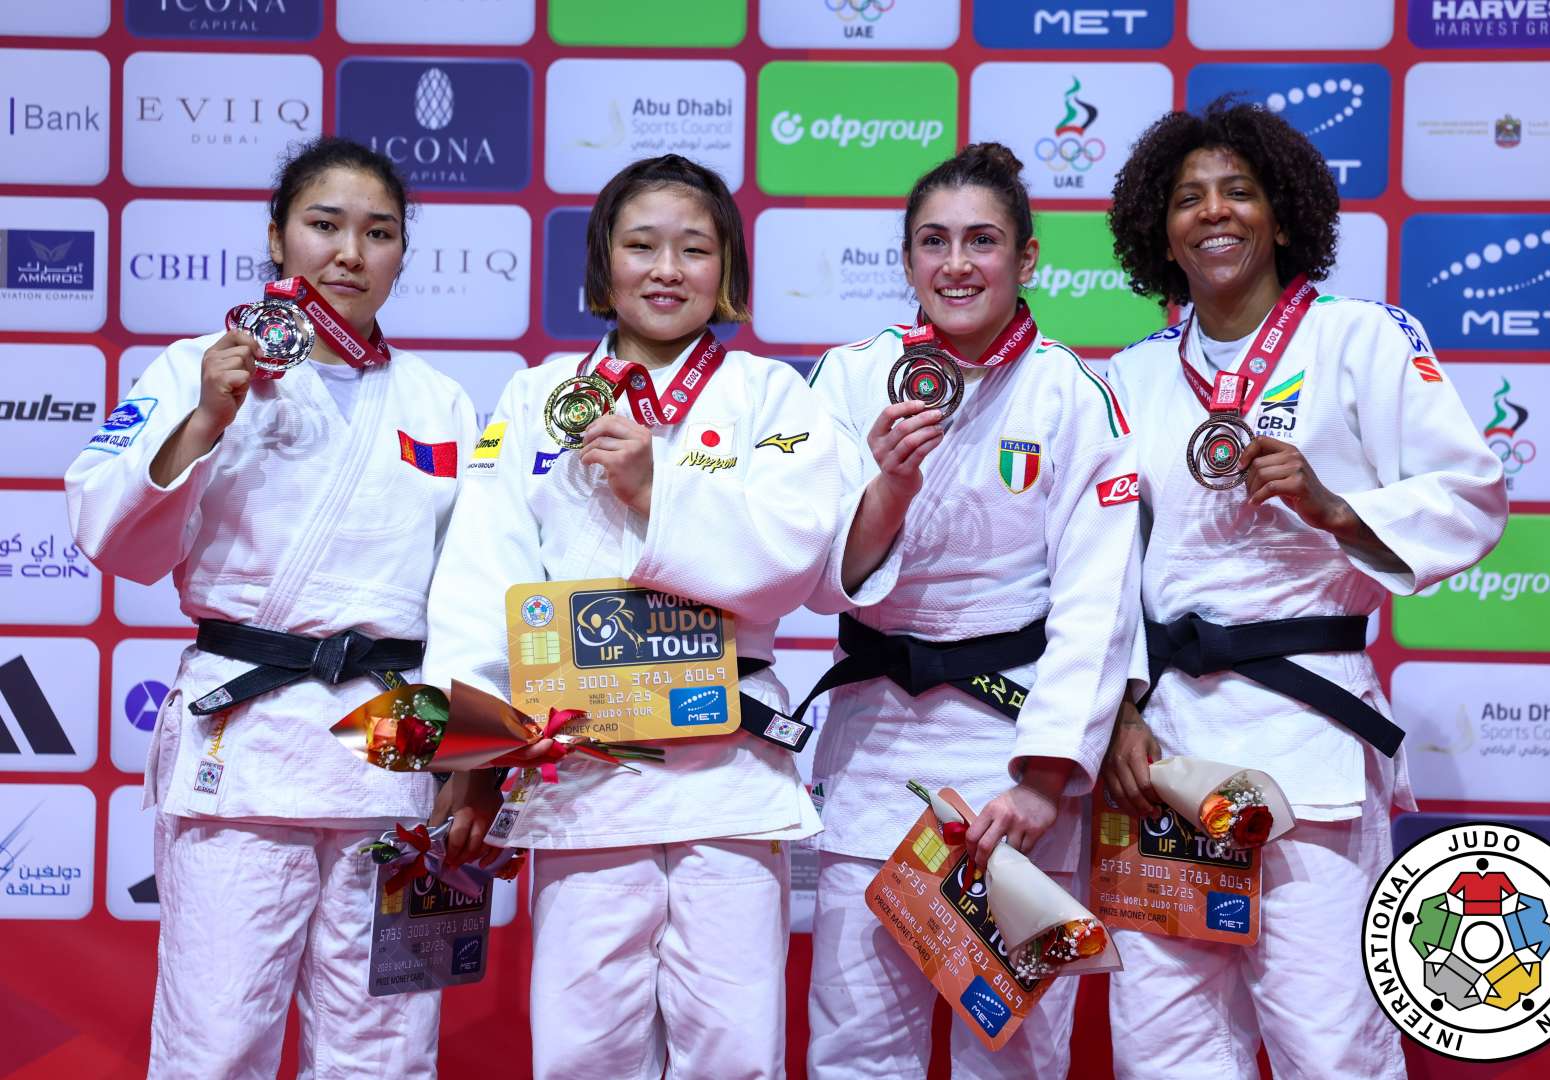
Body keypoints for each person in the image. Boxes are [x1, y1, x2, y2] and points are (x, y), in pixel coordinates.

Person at [1100, 99, 1507, 1080]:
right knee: (1163, 1050)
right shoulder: (1130, 378)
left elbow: (1473, 494)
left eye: (1238, 191)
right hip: (1167, 752)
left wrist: (1336, 509)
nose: (1214, 212)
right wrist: (1117, 710)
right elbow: (1097, 566)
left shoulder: (1360, 339)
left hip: (1307, 742)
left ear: (1282, 216)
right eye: (1188, 198)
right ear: (1161, 231)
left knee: (1331, 1048)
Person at [66, 137, 476, 1079]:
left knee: (385, 1041)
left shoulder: (440, 401)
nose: (350, 253)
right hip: (246, 738)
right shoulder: (197, 367)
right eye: (325, 225)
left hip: (393, 739)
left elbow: (469, 588)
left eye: (379, 233)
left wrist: (468, 752)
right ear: (277, 236)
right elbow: (109, 533)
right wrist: (207, 417)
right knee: (217, 1037)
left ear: (402, 254)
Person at [424, 154, 841, 1080]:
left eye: (694, 249)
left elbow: (795, 558)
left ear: (726, 268)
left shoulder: (769, 396)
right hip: (581, 769)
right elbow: (482, 573)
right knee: (583, 1049)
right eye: (641, 245)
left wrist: (658, 485)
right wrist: (475, 754)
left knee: (735, 1049)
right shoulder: (537, 397)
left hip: (727, 764)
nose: (666, 270)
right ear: (602, 262)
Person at [802, 142, 1143, 1079]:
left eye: (982, 241)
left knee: (1017, 1055)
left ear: (1026, 258)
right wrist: (889, 487)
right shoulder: (850, 378)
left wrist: (1043, 779)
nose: (957, 264)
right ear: (907, 259)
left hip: (1012, 758)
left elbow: (1099, 600)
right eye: (934, 241)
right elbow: (817, 577)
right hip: (876, 749)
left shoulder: (1073, 395)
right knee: (855, 1049)